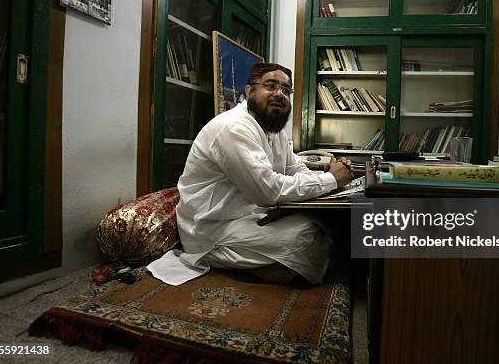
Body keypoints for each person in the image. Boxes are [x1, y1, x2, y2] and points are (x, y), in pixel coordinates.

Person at [148, 63, 353, 286]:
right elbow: (268, 190)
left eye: (286, 90)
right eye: (270, 85)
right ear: (249, 91)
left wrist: (332, 180)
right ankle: (243, 265)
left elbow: (295, 169)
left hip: (251, 215)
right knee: (304, 237)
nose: (279, 94)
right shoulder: (234, 127)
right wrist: (331, 179)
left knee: (323, 222)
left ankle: (279, 266)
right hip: (213, 227)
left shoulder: (273, 129)